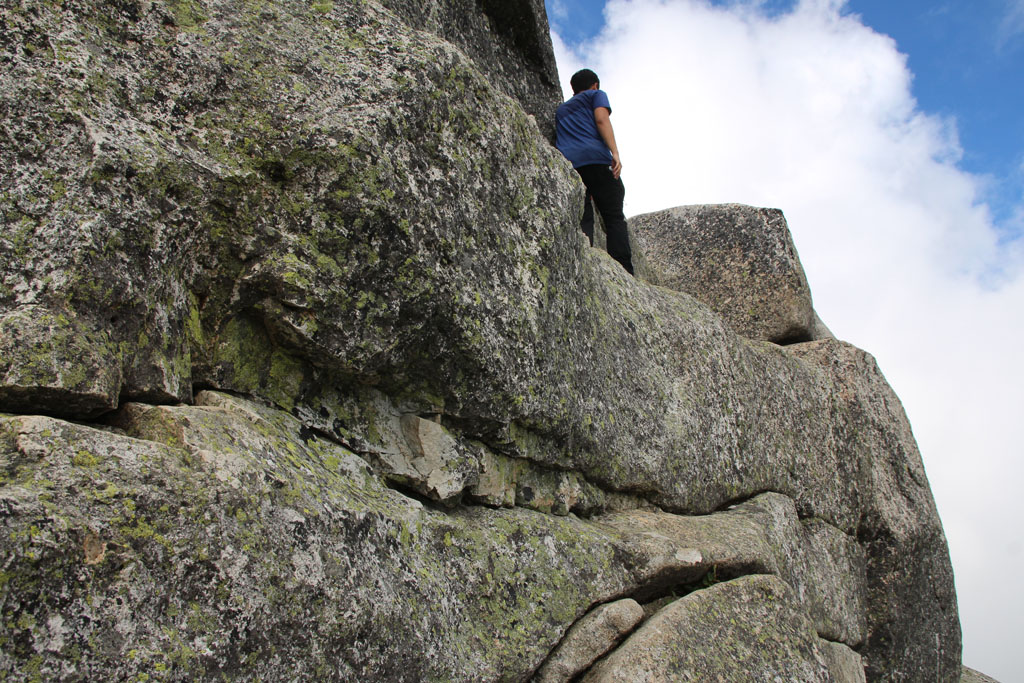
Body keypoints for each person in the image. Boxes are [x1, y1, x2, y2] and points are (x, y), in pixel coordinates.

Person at [555, 68, 634, 275]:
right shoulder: (596, 95)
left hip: (571, 166)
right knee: (614, 216)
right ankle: (624, 270)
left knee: (584, 217)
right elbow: (601, 119)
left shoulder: (561, 110)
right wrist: (615, 152)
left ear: (573, 90)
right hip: (597, 160)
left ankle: (584, 262)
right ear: (594, 85)